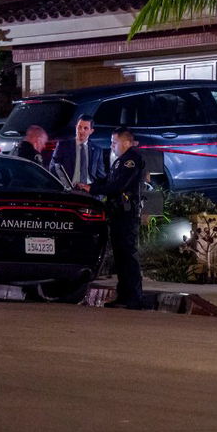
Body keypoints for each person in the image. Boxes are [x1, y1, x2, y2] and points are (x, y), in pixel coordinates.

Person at [91, 127, 147, 310]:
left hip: (126, 214)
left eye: (114, 142)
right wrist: (89, 186)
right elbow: (108, 181)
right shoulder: (120, 161)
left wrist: (92, 189)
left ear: (126, 143)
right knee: (120, 257)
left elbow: (118, 185)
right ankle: (124, 295)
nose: (112, 146)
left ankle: (134, 297)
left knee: (127, 255)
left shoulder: (131, 160)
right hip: (118, 213)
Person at [49, 115, 101, 192]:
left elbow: (100, 174)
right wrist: (67, 185)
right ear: (76, 127)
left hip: (89, 190)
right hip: (69, 189)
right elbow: (53, 167)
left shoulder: (97, 150)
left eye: (85, 128)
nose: (81, 131)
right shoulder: (63, 145)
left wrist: (97, 190)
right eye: (79, 127)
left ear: (91, 131)